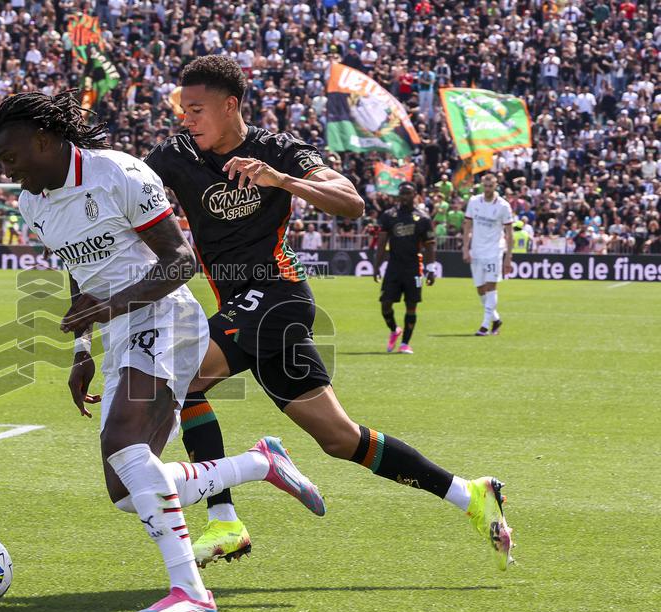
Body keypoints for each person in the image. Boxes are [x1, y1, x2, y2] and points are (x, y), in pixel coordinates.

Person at [144, 55, 514, 572]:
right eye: (183, 110)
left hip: (278, 296)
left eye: (197, 109)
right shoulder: (174, 155)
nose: (187, 119)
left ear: (231, 107)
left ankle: (225, 518)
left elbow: (350, 201)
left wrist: (280, 180)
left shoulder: (280, 151)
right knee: (342, 439)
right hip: (241, 307)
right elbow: (124, 186)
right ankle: (468, 494)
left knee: (182, 376)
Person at [0, 91, 325, 612]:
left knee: (123, 441)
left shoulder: (117, 173)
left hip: (166, 316)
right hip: (121, 328)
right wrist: (82, 351)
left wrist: (111, 308)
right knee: (127, 488)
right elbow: (81, 276)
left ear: (45, 141)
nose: (8, 172)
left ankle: (190, 592)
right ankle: (260, 464)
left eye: (11, 159)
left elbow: (178, 261)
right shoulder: (33, 203)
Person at [373, 182, 437, 354]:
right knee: (385, 304)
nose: (405, 196)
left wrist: (431, 269)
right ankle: (394, 330)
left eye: (408, 193)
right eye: (402, 193)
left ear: (415, 194)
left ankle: (405, 343)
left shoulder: (423, 218)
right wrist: (376, 266)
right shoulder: (389, 216)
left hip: (414, 267)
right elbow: (381, 244)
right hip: (393, 266)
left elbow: (430, 246)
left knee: (411, 305)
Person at [463, 173, 514, 335]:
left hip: (494, 250)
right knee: (480, 288)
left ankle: (485, 325)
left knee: (491, 286)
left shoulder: (503, 206)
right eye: (485, 186)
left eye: (490, 186)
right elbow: (467, 226)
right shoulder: (473, 202)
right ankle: (496, 319)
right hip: (477, 250)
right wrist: (465, 248)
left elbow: (509, 233)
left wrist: (508, 256)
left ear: (496, 186)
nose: (487, 189)